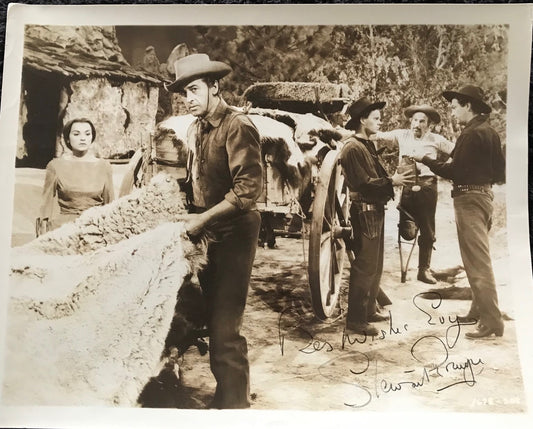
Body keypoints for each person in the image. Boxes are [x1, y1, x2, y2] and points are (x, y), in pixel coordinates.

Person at [165, 53, 263, 408]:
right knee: (211, 317)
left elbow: (247, 192)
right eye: (183, 94)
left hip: (235, 232)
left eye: (193, 90)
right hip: (209, 234)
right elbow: (195, 183)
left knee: (224, 328)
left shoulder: (238, 126)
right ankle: (229, 394)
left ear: (215, 86)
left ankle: (235, 407)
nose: (188, 99)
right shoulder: (198, 128)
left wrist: (200, 222)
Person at [412, 85, 505, 339]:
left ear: (468, 106)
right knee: (475, 258)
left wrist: (426, 161)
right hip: (484, 197)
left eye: (454, 107)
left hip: (468, 199)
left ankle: (492, 321)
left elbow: (453, 171)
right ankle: (478, 310)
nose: (452, 112)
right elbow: (500, 174)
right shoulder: (491, 133)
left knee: (477, 262)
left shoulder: (470, 134)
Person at [340, 97, 415, 336]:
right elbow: (364, 183)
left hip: (374, 210)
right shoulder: (352, 147)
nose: (380, 122)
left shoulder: (366, 145)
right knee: (365, 266)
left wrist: (391, 179)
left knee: (376, 264)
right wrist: (392, 181)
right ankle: (356, 319)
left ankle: (370, 309)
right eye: (376, 118)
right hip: (365, 211)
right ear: (362, 120)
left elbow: (374, 179)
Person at [374, 105, 455, 283]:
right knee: (407, 231)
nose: (417, 124)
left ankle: (423, 271)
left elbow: (457, 151)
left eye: (422, 121)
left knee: (427, 229)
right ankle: (410, 232)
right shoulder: (402, 135)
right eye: (415, 120)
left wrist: (445, 167)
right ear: (410, 122)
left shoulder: (435, 139)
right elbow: (377, 135)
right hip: (408, 186)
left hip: (427, 186)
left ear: (429, 125)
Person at [38, 118, 114, 234]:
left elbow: (110, 205)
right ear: (68, 139)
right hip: (64, 230)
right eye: (76, 134)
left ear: (92, 138)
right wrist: (42, 232)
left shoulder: (104, 166)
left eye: (87, 134)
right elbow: (45, 205)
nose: (82, 138)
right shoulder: (55, 166)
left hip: (95, 228)